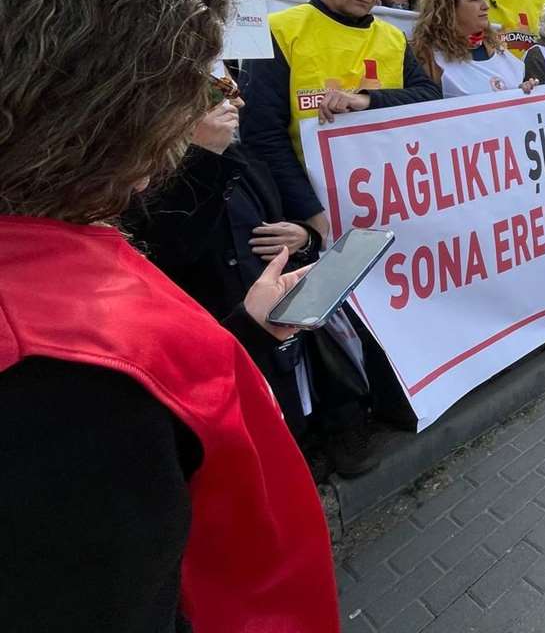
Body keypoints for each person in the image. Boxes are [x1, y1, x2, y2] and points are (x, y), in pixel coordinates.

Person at [0, 0, 338, 631]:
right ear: (90, 93)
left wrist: (243, 337)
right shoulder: (60, 369)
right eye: (183, 79)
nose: (202, 103)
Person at [123, 82, 377, 477]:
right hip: (223, 327)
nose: (237, 103)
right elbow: (168, 249)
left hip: (277, 323)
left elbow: (287, 222)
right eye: (219, 95)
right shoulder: (143, 181)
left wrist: (302, 237)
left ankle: (327, 433)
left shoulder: (246, 158)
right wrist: (202, 157)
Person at [239, 0, 441, 241]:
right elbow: (262, 134)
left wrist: (366, 101)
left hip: (390, 203)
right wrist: (312, 213)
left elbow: (428, 98)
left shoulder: (392, 38)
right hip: (311, 210)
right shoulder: (280, 30)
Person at [412, 0, 539, 97]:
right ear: (450, 7)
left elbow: (511, 90)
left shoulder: (496, 47)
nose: (485, 6)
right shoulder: (430, 57)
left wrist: (523, 90)